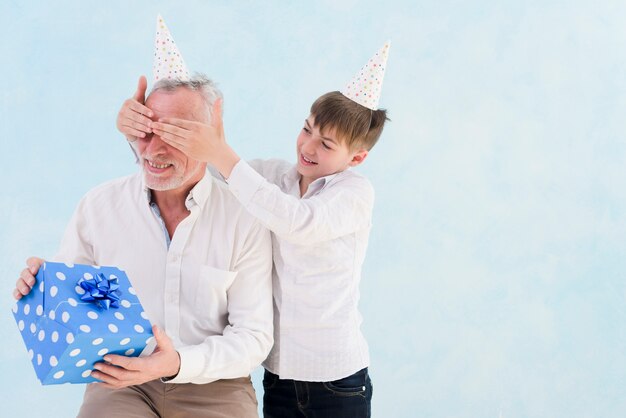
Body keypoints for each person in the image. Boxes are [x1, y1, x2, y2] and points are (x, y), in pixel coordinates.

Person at [116, 43, 390, 418]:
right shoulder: (277, 176)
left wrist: (221, 153)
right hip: (278, 375)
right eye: (306, 129)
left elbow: (297, 222)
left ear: (356, 158)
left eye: (325, 144)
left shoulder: (354, 193)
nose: (307, 147)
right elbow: (209, 171)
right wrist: (144, 134)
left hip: (336, 380)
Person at [13, 75, 274, 418]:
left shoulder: (243, 218)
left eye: (173, 135)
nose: (153, 150)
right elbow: (72, 301)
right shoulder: (99, 206)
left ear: (207, 141)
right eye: (146, 131)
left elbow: (253, 337)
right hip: (121, 380)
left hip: (215, 385)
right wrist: (43, 287)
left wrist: (177, 363)